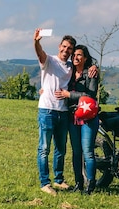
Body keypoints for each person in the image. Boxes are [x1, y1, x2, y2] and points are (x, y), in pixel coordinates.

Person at [33, 28, 76, 196]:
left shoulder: (71, 67)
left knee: (61, 149)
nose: (66, 51)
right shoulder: (49, 60)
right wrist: (36, 41)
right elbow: (40, 53)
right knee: (44, 148)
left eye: (69, 49)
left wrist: (94, 66)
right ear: (59, 46)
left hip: (63, 112)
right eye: (64, 47)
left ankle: (58, 180)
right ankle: (45, 183)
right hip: (47, 111)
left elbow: (84, 66)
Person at [55, 44, 100, 195]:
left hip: (88, 117)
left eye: (79, 55)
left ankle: (91, 184)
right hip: (72, 116)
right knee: (76, 152)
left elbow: (90, 96)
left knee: (87, 152)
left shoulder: (91, 73)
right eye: (74, 55)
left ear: (85, 58)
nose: (75, 57)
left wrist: (69, 95)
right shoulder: (69, 71)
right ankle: (78, 183)